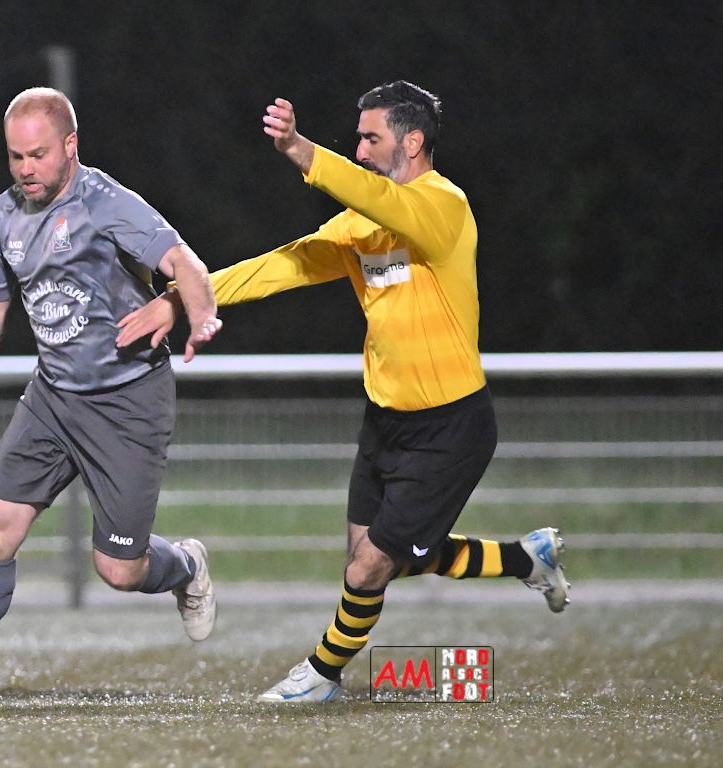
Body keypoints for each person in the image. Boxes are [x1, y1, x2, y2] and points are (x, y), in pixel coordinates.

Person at [117, 81, 571, 703]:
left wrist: (302, 151)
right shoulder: (363, 226)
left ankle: (320, 676)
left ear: (412, 142)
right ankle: (526, 559)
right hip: (386, 423)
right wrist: (181, 298)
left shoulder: (444, 207)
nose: (359, 150)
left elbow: (376, 195)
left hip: (450, 428)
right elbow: (285, 263)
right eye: (356, 139)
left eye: (370, 138)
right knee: (376, 556)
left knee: (370, 567)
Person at [0, 88, 221, 706]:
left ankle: (186, 565)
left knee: (118, 569)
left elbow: (184, 262)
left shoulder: (105, 202)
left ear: (70, 145)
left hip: (128, 402)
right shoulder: (3, 216)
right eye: (15, 157)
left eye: (37, 155)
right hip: (54, 398)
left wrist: (196, 314)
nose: (25, 169)